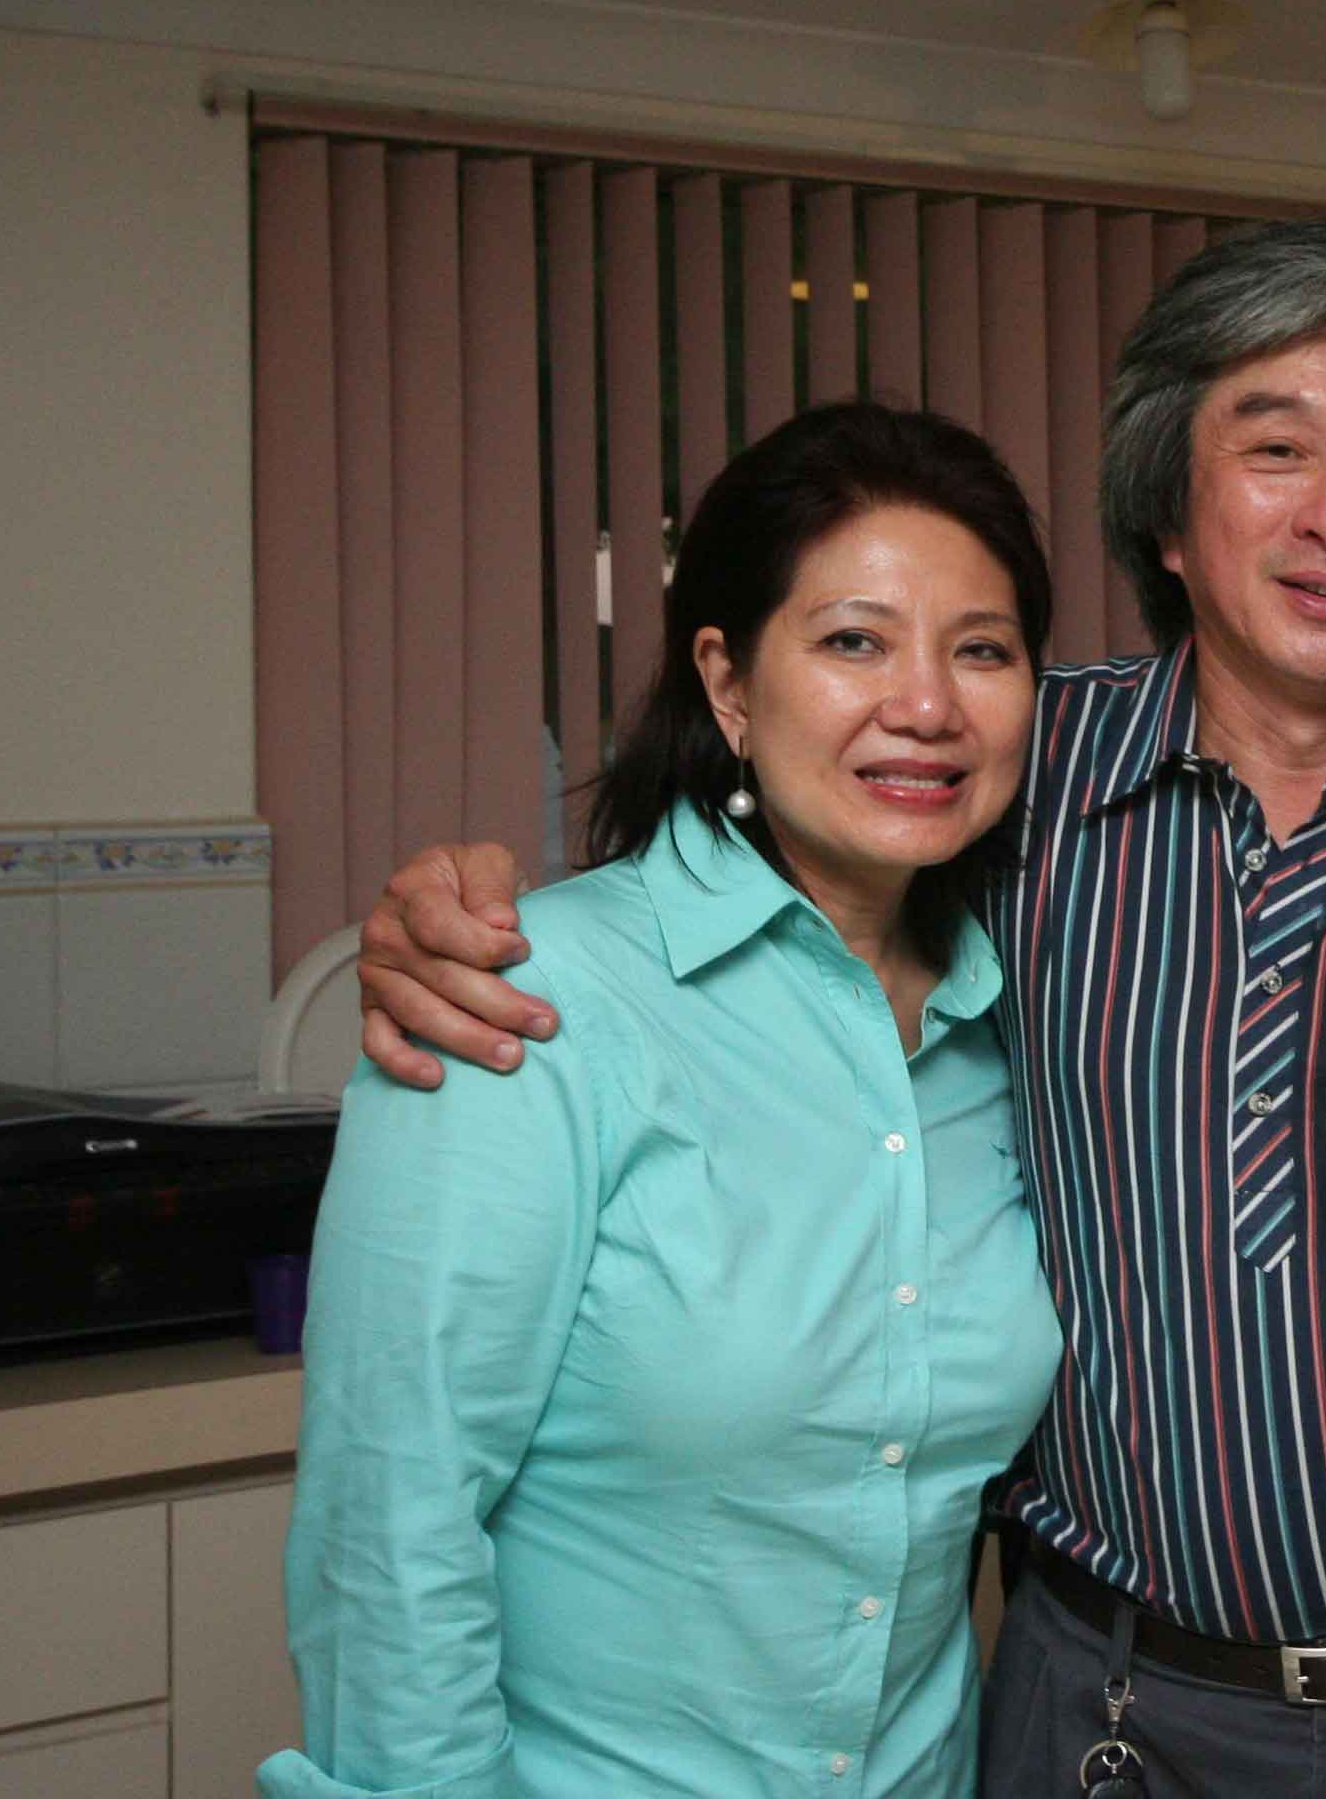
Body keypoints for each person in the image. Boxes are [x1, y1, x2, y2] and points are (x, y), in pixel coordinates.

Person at [349, 221, 1326, 1798]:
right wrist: (458, 918)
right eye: (1273, 448)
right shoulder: (1010, 775)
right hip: (1096, 1701)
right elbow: (765, 865)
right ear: (1168, 514)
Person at [261, 401, 1068, 1799]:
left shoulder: (1019, 1020)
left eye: (982, 650)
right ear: (729, 683)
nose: (929, 705)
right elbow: (390, 1522)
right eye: (854, 641)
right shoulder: (527, 997)